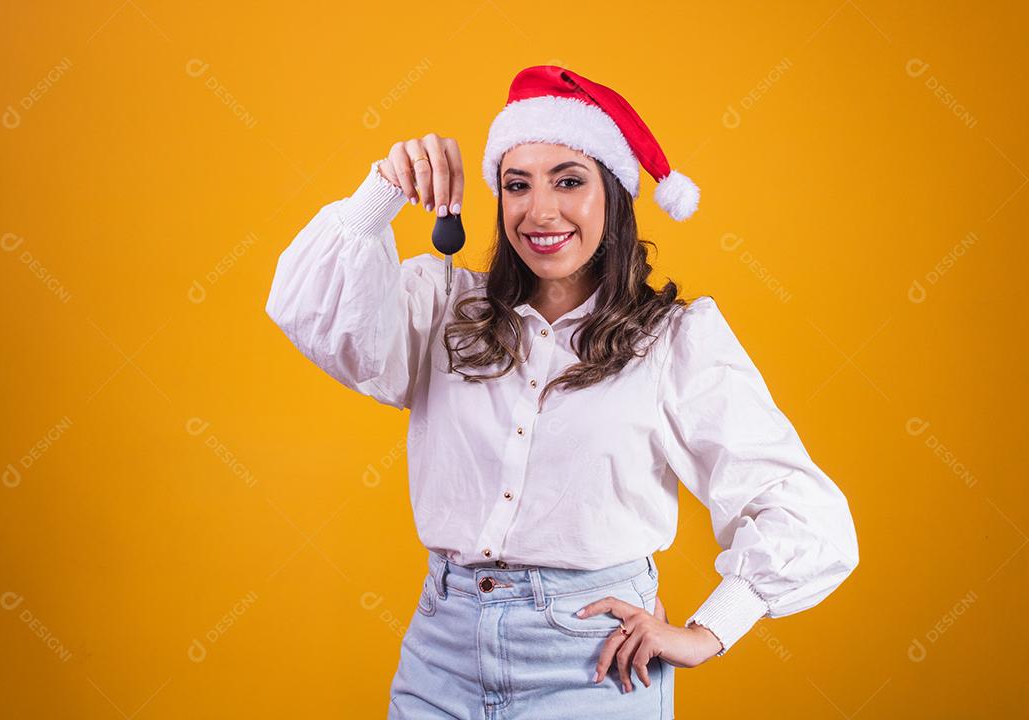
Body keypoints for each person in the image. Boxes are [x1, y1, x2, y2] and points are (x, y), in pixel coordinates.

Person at [264, 65, 859, 719]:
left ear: (614, 195)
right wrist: (380, 192)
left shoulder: (673, 340)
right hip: (440, 658)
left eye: (568, 181)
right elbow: (317, 324)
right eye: (517, 185)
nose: (539, 211)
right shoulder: (440, 306)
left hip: (592, 666)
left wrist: (708, 631)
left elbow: (799, 508)